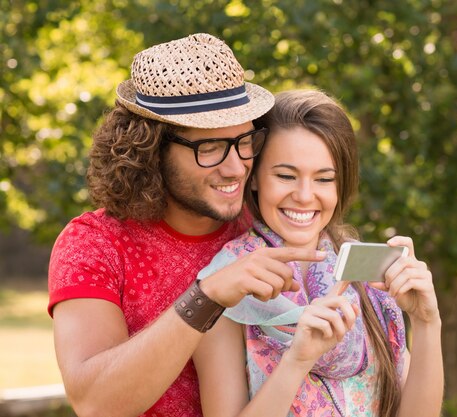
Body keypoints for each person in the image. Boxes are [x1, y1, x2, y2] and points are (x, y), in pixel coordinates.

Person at [47, 34, 326, 417]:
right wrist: (207, 295)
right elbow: (95, 404)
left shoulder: (265, 227)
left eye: (245, 140)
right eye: (208, 147)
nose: (236, 167)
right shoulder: (94, 244)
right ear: (150, 149)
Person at [193, 89, 444, 417]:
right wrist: (297, 361)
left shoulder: (364, 273)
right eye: (286, 176)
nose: (304, 195)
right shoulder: (224, 283)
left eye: (324, 179)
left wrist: (426, 322)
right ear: (253, 177)